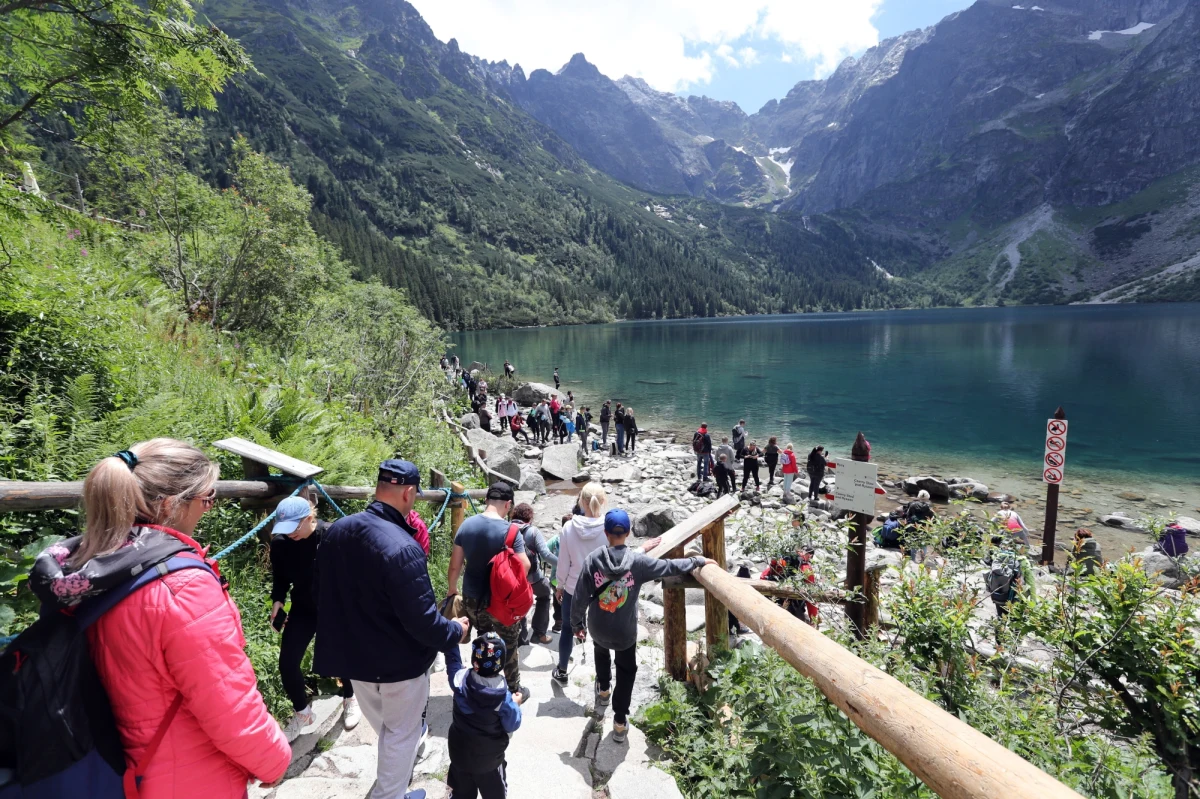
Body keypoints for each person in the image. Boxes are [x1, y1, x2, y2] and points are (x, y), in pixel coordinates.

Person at [30, 440, 291, 798]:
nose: (209, 509)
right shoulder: (181, 586)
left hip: (103, 769)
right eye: (207, 498)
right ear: (169, 505)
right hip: (186, 778)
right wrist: (273, 760)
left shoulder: (83, 569)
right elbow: (227, 703)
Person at [316, 460, 468, 799]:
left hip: (355, 660)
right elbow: (423, 622)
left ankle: (394, 786)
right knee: (401, 734)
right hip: (398, 665)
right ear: (409, 492)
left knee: (388, 730)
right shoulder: (404, 547)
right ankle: (390, 794)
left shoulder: (337, 530)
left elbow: (321, 593)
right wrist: (454, 631)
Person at [570, 509, 713, 743]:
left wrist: (577, 623)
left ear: (605, 533)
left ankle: (603, 691)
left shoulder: (593, 560)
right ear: (628, 533)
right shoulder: (638, 563)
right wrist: (697, 561)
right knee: (626, 671)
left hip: (598, 626)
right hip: (624, 631)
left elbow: (579, 596)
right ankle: (619, 722)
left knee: (600, 651)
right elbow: (668, 566)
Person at [270, 495, 358, 740]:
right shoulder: (281, 544)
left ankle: (350, 697)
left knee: (339, 656)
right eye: (285, 528)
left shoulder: (332, 536)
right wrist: (278, 600)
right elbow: (280, 577)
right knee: (287, 663)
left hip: (334, 607)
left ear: (310, 518)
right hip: (303, 608)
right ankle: (302, 712)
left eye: (294, 527)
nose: (290, 534)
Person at [447, 482, 530, 700]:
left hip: (473, 598)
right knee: (508, 642)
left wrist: (452, 589)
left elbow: (455, 565)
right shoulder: (511, 531)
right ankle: (513, 690)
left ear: (486, 501)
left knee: (483, 639)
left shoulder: (466, 525)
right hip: (502, 601)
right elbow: (525, 565)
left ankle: (482, 684)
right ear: (508, 505)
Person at [443, 632, 522, 799]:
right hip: (489, 762)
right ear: (501, 664)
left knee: (461, 795)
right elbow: (512, 724)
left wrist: (452, 636)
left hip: (460, 755)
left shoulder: (459, 681)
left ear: (475, 659)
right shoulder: (503, 698)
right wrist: (516, 704)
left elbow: (453, 661)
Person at [553, 483, 610, 684]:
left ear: (580, 501)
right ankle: (603, 680)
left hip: (573, 587)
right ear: (603, 501)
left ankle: (562, 670)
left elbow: (563, 562)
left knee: (567, 629)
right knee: (601, 632)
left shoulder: (569, 527)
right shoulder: (608, 527)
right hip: (601, 587)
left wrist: (560, 585)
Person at [512, 503, 557, 645]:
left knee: (518, 603)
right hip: (533, 578)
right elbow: (545, 555)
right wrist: (563, 565)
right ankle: (539, 633)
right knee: (545, 594)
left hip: (512, 578)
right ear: (530, 517)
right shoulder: (532, 532)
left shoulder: (506, 528)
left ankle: (521, 637)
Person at [903, 490, 936, 564]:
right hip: (924, 528)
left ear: (918, 496)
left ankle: (913, 561)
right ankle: (923, 561)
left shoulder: (913, 505)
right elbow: (932, 519)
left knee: (913, 544)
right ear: (927, 497)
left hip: (913, 527)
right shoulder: (929, 507)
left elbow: (908, 516)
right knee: (923, 545)